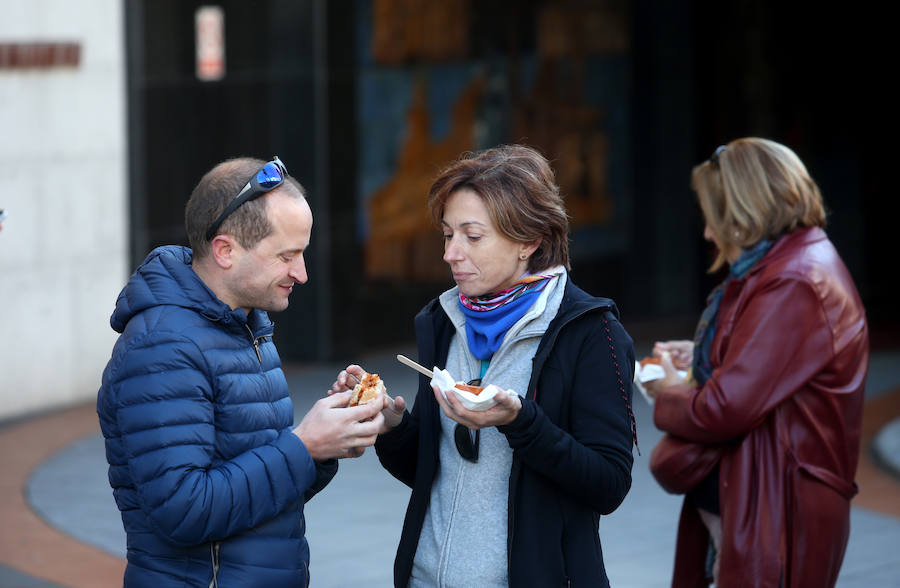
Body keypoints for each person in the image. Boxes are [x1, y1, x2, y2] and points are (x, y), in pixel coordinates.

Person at [330, 144, 637, 587]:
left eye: (472, 237)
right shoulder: (443, 320)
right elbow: (434, 474)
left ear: (529, 241)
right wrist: (393, 424)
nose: (451, 254)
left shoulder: (590, 332)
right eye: (447, 235)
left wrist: (520, 420)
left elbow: (608, 485)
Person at [97, 156, 385, 588]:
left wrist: (325, 442)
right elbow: (184, 512)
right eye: (286, 255)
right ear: (225, 250)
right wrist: (304, 446)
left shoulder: (245, 326)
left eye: (302, 253)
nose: (302, 274)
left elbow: (264, 497)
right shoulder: (163, 346)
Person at [643, 138, 869, 587]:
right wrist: (703, 356)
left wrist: (669, 392)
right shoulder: (789, 264)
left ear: (745, 212)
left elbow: (726, 407)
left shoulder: (793, 280)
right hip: (762, 490)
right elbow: (771, 367)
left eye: (714, 216)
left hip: (774, 502)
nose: (708, 233)